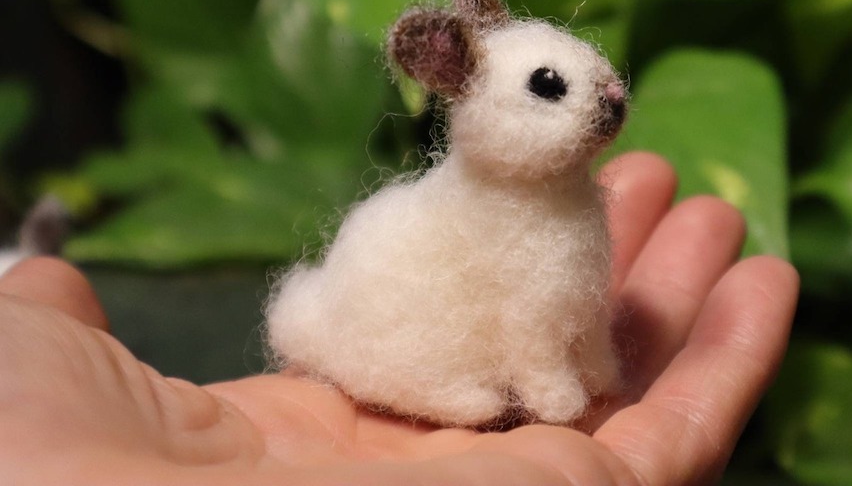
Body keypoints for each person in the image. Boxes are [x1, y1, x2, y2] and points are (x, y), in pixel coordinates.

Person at [0, 152, 798, 485]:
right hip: (391, 336)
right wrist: (552, 380)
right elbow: (520, 311)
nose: (609, 101)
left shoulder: (568, 208)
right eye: (552, 91)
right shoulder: (488, 218)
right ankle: (441, 385)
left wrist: (588, 361)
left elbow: (563, 305)